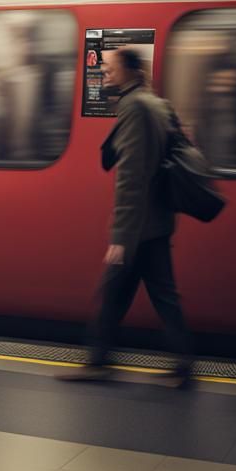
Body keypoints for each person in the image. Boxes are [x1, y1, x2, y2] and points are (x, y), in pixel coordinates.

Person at [60, 47, 193, 385]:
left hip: (139, 226)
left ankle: (99, 362)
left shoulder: (133, 107)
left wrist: (120, 236)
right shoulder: (157, 103)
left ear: (130, 71)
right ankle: (180, 364)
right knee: (156, 294)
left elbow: (132, 175)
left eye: (110, 68)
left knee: (114, 290)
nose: (104, 73)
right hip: (158, 219)